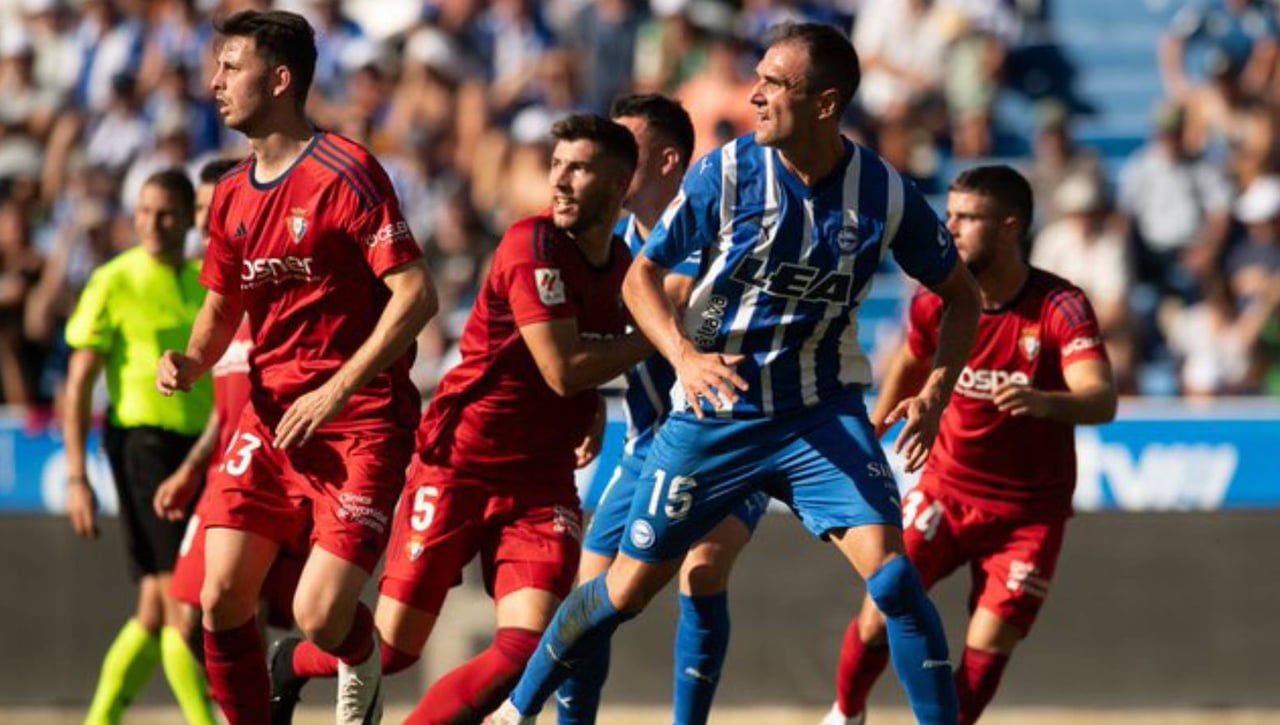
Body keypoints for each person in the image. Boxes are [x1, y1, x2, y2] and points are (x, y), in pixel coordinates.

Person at [490, 22, 982, 725]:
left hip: (819, 413)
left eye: (775, 84)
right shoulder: (725, 173)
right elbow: (643, 280)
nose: (754, 95)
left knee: (896, 578)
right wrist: (686, 355)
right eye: (758, 78)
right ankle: (516, 712)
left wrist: (937, 388)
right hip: (716, 415)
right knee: (624, 591)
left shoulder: (883, 192)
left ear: (825, 103)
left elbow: (960, 295)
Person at [266, 113, 649, 725]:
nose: (561, 181)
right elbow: (562, 366)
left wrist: (590, 410)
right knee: (389, 652)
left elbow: (575, 365)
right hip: (458, 463)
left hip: (540, 482)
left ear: (621, 182)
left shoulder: (624, 264)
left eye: (578, 168)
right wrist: (650, 342)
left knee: (528, 648)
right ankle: (292, 663)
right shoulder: (532, 244)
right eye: (556, 166)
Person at [154, 10, 438, 725]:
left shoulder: (347, 172)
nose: (213, 82)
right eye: (215, 67)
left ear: (280, 80)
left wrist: (338, 389)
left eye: (230, 67)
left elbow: (416, 295)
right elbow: (220, 313)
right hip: (272, 417)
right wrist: (189, 360)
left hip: (360, 421)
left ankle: (355, 652)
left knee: (317, 614)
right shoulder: (230, 196)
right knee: (219, 599)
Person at [819, 166, 1118, 725]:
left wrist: (1047, 401)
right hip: (947, 490)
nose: (949, 227)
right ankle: (846, 712)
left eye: (966, 218)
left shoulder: (1060, 306)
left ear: (1009, 228)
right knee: (881, 607)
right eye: (948, 215)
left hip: (1028, 515)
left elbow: (1100, 398)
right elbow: (911, 358)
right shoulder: (940, 300)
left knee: (988, 640)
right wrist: (876, 426)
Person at [555, 93, 770, 725]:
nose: (609, 163)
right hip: (648, 440)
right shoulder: (612, 242)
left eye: (628, 149)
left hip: (734, 437)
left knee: (702, 571)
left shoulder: (722, 237)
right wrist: (590, 405)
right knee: (589, 599)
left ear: (671, 161)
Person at [64, 168, 217, 725]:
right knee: (182, 607)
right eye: (145, 212)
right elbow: (78, 383)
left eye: (167, 213)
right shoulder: (113, 280)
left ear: (189, 219)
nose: (153, 223)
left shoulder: (207, 279)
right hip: (141, 448)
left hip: (201, 450)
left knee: (154, 612)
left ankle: (99, 719)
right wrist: (78, 476)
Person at [158, 157, 307, 657]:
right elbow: (224, 413)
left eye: (212, 206)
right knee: (188, 617)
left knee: (242, 610)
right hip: (225, 470)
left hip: (269, 473)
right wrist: (190, 469)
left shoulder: (266, 291)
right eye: (199, 208)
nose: (203, 220)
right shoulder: (216, 304)